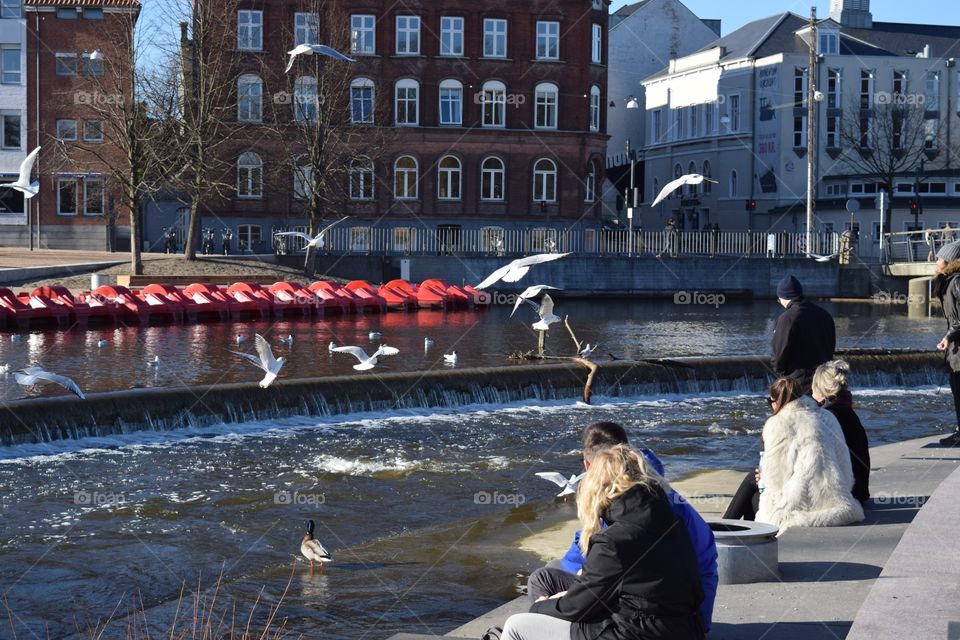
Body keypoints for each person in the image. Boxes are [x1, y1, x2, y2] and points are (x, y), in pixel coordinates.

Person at [526, 422, 718, 633]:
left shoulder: (623, 506)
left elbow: (607, 556)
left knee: (547, 581)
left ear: (588, 466)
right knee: (552, 570)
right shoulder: (659, 496)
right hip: (687, 614)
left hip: (651, 617)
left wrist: (551, 602)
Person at [755, 378, 865, 532]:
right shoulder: (828, 416)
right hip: (840, 503)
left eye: (770, 401)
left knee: (754, 498)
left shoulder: (778, 423)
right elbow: (845, 468)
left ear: (776, 402)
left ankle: (729, 540)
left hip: (801, 507)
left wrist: (762, 478)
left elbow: (776, 480)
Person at [812, 360, 870, 503]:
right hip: (859, 490)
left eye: (813, 388)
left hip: (843, 495)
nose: (811, 393)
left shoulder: (827, 416)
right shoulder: (847, 410)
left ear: (821, 389)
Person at [771, 274, 836, 391]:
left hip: (798, 382)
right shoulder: (825, 315)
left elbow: (779, 353)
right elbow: (831, 347)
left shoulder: (787, 318)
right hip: (824, 381)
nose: (780, 303)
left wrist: (779, 372)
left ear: (784, 297)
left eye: (779, 299)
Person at [933, 240, 960, 446]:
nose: (936, 261)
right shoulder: (949, 281)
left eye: (940, 258)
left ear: (950, 261)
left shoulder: (957, 281)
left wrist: (949, 336)